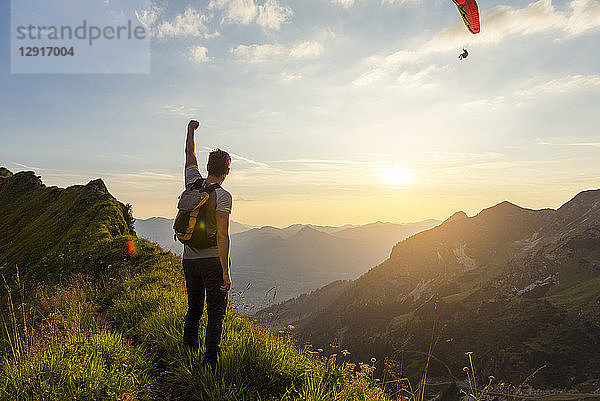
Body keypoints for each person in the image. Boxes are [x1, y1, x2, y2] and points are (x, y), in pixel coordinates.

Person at [182, 119, 233, 372]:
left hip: (189, 259)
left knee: (194, 308)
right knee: (216, 314)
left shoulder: (192, 182)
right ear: (227, 171)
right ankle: (210, 363)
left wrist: (190, 131)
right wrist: (226, 271)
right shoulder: (223, 196)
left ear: (207, 166)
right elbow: (222, 236)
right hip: (213, 261)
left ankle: (187, 352)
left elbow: (189, 153)